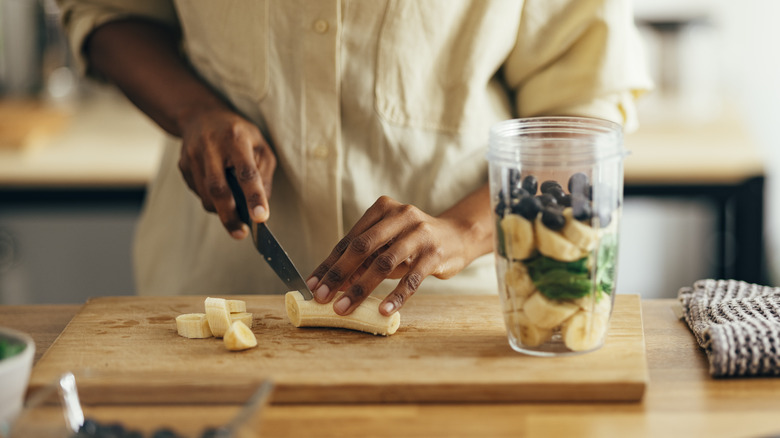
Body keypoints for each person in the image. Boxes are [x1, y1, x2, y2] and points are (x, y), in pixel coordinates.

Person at [57, 0, 651, 317]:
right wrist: (194, 112)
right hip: (216, 288)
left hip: (447, 315)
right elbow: (107, 11)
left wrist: (464, 229)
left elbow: (584, 118)